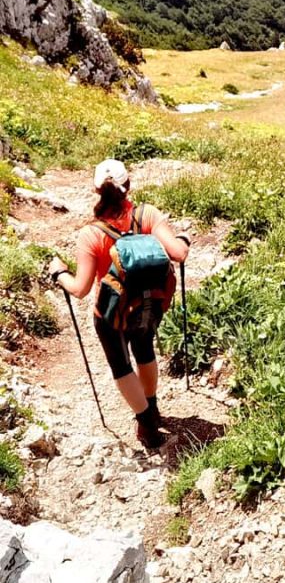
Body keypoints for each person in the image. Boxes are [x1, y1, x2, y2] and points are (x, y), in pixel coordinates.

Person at [49, 159, 190, 449]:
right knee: (144, 350)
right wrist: (183, 238)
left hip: (112, 313)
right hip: (149, 304)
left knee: (121, 366)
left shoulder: (91, 234)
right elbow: (179, 253)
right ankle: (152, 407)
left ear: (96, 190)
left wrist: (60, 273)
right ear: (129, 185)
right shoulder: (147, 215)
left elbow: (81, 289)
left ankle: (147, 423)